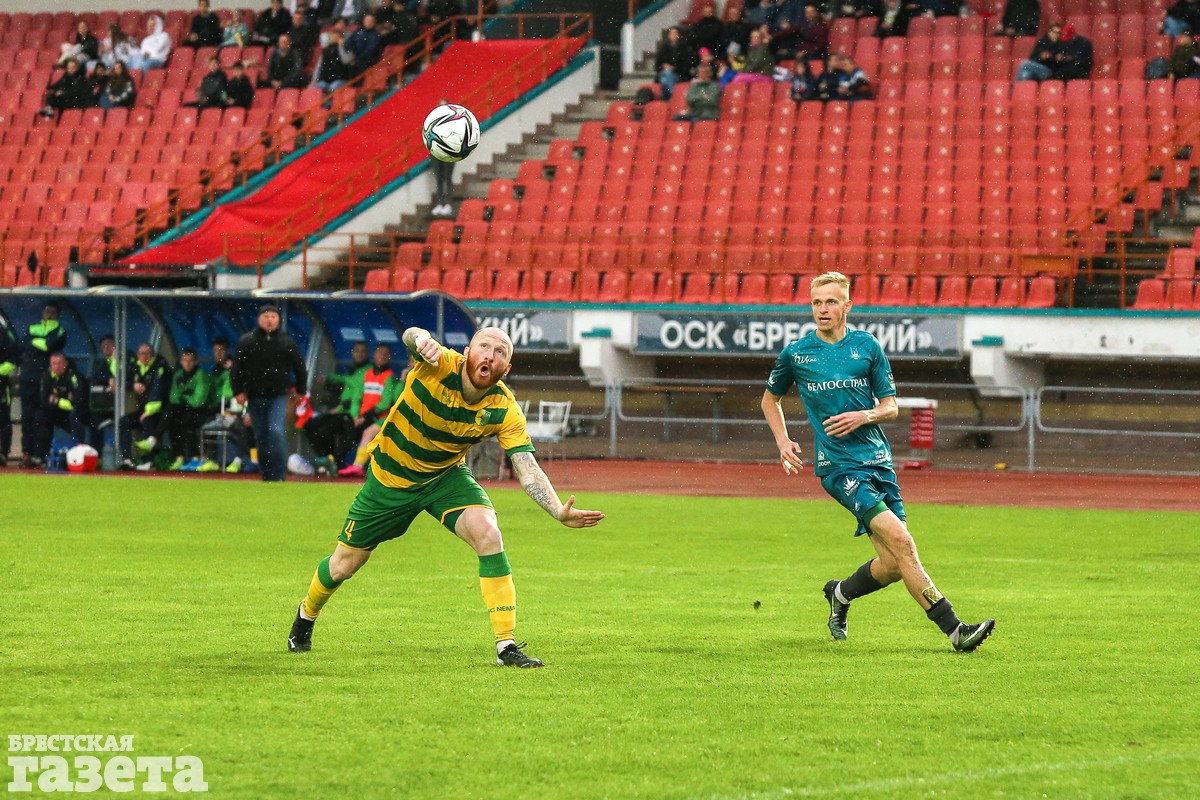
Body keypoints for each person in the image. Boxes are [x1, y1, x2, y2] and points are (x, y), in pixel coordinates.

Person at [286, 326, 605, 667]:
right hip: (391, 478)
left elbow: (527, 468)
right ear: (467, 352)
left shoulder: (504, 408)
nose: (490, 355)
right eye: (484, 346)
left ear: (506, 368)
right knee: (344, 565)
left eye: (500, 352)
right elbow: (412, 336)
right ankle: (306, 614)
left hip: (444, 477)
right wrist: (421, 340)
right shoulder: (437, 364)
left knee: (489, 533)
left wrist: (557, 509)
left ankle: (506, 646)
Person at [760, 272, 996, 652]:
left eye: (831, 301)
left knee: (891, 564)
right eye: (817, 302)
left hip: (878, 462)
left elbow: (891, 407)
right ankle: (956, 630)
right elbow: (770, 399)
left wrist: (864, 415)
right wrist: (783, 441)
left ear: (847, 306)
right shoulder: (797, 354)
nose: (823, 309)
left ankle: (840, 593)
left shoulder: (867, 346)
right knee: (903, 542)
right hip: (839, 468)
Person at [230, 304, 308, 482]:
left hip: (278, 396)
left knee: (276, 431)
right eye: (266, 316)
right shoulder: (247, 341)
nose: (269, 320)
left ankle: (278, 474)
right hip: (254, 396)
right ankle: (266, 474)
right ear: (259, 319)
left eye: (273, 316)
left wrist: (301, 390)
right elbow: (237, 369)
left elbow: (299, 367)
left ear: (278, 320)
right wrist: (238, 391)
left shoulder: (286, 342)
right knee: (261, 436)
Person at [334, 343, 397, 477]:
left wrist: (366, 416)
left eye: (385, 354)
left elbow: (385, 403)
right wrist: (355, 416)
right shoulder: (367, 374)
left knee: (360, 433)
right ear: (374, 355)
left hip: (377, 417)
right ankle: (335, 462)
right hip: (361, 417)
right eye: (380, 353)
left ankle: (354, 466)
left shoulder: (389, 377)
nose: (382, 356)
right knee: (345, 430)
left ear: (389, 357)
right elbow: (357, 397)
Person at [18, 301, 67, 468]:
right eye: (47, 311)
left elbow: (49, 346)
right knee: (27, 418)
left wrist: (34, 342)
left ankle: (40, 455)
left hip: (44, 380)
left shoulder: (59, 330)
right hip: (27, 378)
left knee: (42, 418)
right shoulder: (33, 327)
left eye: (52, 312)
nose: (49, 314)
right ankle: (27, 453)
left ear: (57, 314)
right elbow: (22, 343)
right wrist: (40, 343)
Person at [119, 342, 170, 469]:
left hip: (160, 410)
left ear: (152, 355)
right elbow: (122, 378)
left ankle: (149, 461)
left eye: (147, 353)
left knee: (147, 420)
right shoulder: (136, 367)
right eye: (142, 353)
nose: (144, 356)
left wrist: (148, 411)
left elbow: (157, 392)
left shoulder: (159, 366)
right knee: (124, 421)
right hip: (145, 410)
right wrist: (133, 385)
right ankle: (127, 459)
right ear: (138, 355)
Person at [165, 348, 212, 470]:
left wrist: (183, 397)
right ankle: (179, 458)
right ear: (181, 361)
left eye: (190, 361)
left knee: (188, 421)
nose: (187, 363)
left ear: (196, 362)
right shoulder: (178, 375)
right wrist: (186, 396)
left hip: (201, 411)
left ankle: (195, 458)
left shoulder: (201, 375)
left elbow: (198, 401)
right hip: (184, 409)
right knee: (172, 420)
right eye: (185, 360)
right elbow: (173, 397)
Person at [38, 352, 90, 458]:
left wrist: (57, 401)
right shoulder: (47, 377)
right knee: (40, 416)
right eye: (54, 364)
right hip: (58, 413)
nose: (57, 367)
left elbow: (77, 402)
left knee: (74, 416)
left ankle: (81, 450)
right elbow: (44, 400)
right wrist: (65, 400)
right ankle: (41, 455)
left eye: (60, 363)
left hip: (78, 413)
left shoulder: (73, 376)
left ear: (66, 363)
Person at [654, 26, 696, 102]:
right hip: (665, 73)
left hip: (680, 74)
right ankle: (674, 96)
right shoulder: (663, 48)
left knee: (664, 80)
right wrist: (664, 66)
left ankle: (667, 99)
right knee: (665, 74)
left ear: (679, 35)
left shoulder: (685, 48)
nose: (673, 35)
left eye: (675, 33)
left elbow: (687, 65)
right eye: (671, 33)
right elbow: (657, 66)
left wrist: (673, 68)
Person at [0, 320, 18, 466]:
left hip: (1, 384)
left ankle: (3, 453)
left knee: (3, 419)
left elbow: (14, 359)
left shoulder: (3, 333)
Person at [344, 12, 383, 77]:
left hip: (366, 63)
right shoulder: (358, 30)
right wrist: (351, 53)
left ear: (374, 22)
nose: (369, 22)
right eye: (367, 20)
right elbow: (348, 42)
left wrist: (355, 59)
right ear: (363, 21)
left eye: (371, 20)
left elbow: (369, 52)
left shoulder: (375, 36)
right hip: (353, 59)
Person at [314, 28, 352, 92]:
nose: (334, 38)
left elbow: (346, 61)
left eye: (336, 37)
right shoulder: (326, 49)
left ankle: (330, 99)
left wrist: (341, 47)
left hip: (341, 79)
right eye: (332, 36)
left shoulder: (347, 48)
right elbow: (319, 65)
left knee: (333, 87)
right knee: (316, 88)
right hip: (326, 79)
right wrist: (314, 79)